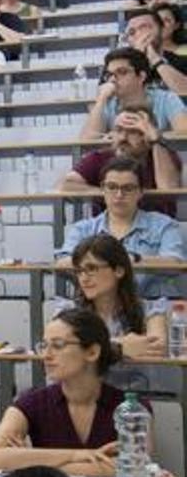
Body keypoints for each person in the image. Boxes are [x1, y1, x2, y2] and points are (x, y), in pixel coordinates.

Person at [0, 308, 151, 477]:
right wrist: (75, 455)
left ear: (91, 352)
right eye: (44, 345)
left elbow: (132, 469)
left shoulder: (132, 407)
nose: (46, 355)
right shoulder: (30, 401)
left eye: (58, 345)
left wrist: (30, 464)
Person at [57, 158, 184, 298]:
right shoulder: (83, 228)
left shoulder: (164, 225)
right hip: (96, 306)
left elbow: (175, 263)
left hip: (151, 304)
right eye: (112, 187)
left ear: (141, 192)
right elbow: (63, 264)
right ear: (103, 189)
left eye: (128, 188)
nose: (119, 195)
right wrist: (108, 261)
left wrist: (134, 259)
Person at [56, 234, 170, 361]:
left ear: (119, 271)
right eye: (79, 271)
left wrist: (91, 348)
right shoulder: (68, 311)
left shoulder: (150, 310)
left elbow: (157, 349)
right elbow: (62, 351)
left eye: (92, 268)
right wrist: (119, 347)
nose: (84, 278)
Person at [64, 104, 183, 217]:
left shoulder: (163, 155)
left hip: (157, 231)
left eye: (133, 131)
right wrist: (112, 191)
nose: (123, 138)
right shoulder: (99, 157)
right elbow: (67, 185)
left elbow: (168, 190)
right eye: (119, 130)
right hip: (107, 232)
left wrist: (156, 140)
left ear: (148, 134)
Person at [77, 47, 187, 139]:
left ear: (141, 77)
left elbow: (184, 132)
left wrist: (150, 133)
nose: (113, 79)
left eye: (121, 72)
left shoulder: (166, 98)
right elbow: (86, 141)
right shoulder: (107, 103)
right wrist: (100, 100)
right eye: (109, 74)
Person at [123, 8, 187, 91]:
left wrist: (154, 58)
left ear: (161, 29)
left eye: (144, 28)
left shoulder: (182, 61)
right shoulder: (116, 66)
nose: (139, 34)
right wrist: (137, 60)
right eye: (132, 32)